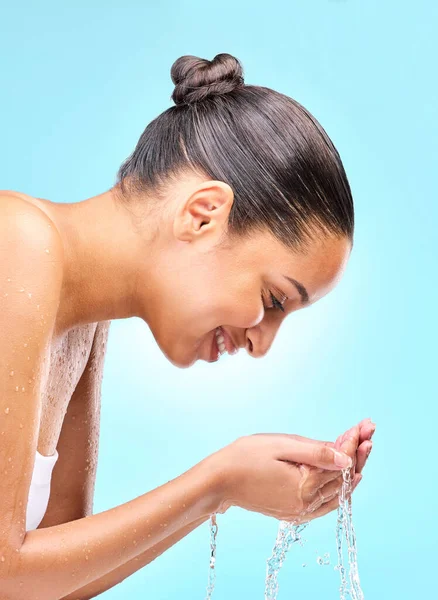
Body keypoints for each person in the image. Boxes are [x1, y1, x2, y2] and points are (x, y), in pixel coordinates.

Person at [0, 53, 375, 599]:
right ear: (202, 214)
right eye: (272, 300)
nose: (261, 343)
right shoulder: (16, 244)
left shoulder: (83, 322)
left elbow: (52, 586)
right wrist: (216, 483)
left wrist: (227, 490)